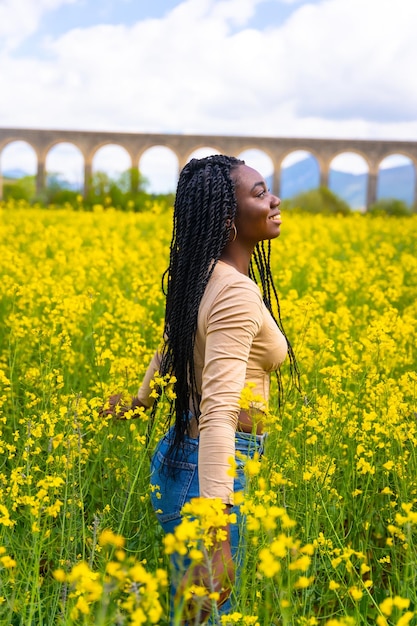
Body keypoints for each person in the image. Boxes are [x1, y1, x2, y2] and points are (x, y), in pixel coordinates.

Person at [105, 155, 299, 624]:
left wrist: (139, 402)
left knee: (190, 612)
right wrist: (216, 536)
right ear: (226, 217)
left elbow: (171, 346)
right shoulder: (233, 291)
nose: (274, 200)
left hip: (183, 462)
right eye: (258, 193)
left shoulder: (201, 275)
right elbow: (220, 413)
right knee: (208, 612)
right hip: (210, 475)